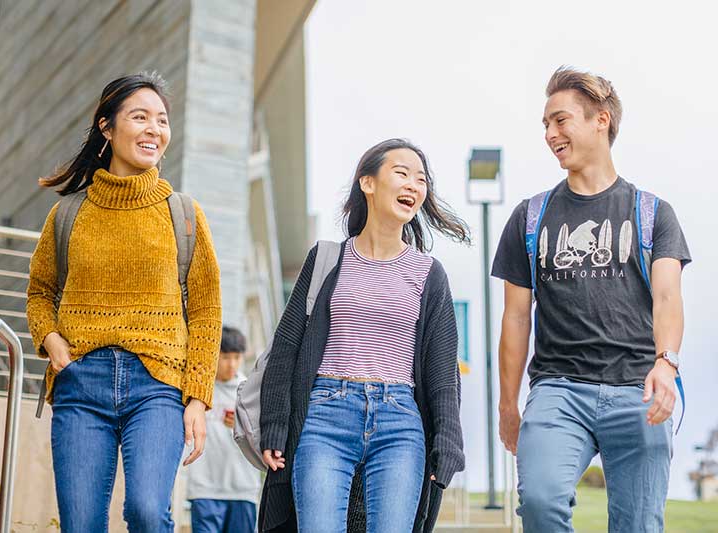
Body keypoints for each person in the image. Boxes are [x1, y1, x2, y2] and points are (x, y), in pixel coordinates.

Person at [493, 66, 691, 532]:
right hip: (557, 390)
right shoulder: (529, 217)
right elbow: (516, 318)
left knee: (638, 525)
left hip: (638, 390)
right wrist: (507, 406)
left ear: (601, 120)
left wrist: (667, 363)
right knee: (540, 504)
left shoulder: (652, 213)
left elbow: (667, 297)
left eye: (560, 121)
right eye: (545, 124)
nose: (550, 134)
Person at [26, 72, 222, 532]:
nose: (155, 129)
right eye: (140, 117)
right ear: (107, 128)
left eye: (162, 119)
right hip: (80, 383)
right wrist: (51, 339)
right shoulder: (69, 212)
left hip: (158, 386)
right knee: (80, 525)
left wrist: (197, 397)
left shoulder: (184, 213)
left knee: (148, 512)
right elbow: (40, 291)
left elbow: (207, 309)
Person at [258, 138, 468, 532]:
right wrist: (275, 423)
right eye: (401, 173)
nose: (413, 186)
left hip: (400, 422)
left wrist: (449, 440)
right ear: (367, 183)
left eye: (421, 180)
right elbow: (286, 346)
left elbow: (443, 370)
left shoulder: (428, 273)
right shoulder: (325, 260)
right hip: (324, 416)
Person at [187, 326, 261, 532]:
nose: (232, 364)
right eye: (226, 357)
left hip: (242, 489)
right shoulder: (198, 390)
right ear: (214, 355)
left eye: (237, 357)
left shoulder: (249, 391)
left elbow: (264, 440)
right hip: (204, 488)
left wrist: (243, 426)